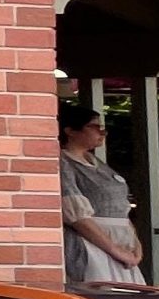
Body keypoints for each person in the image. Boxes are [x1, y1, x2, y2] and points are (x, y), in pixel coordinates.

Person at [60, 102, 146, 286]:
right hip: (94, 244)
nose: (102, 132)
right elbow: (77, 216)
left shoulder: (97, 162)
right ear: (71, 131)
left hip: (121, 242)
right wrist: (116, 251)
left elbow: (121, 208)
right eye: (94, 126)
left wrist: (136, 245)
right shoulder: (64, 162)